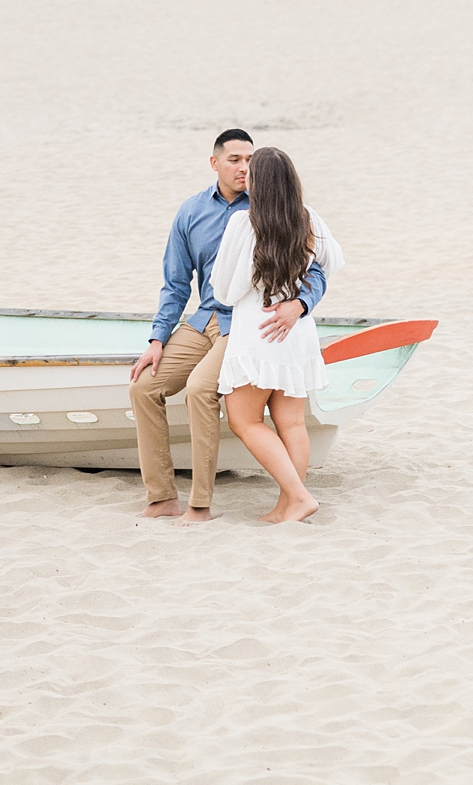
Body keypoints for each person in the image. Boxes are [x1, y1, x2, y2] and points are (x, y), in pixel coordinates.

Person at [128, 129, 329, 522]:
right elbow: (175, 282)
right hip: (203, 319)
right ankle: (162, 497)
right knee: (143, 387)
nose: (244, 167)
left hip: (242, 325)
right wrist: (158, 336)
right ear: (214, 162)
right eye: (235, 159)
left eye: (250, 160)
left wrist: (300, 304)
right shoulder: (191, 211)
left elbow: (315, 269)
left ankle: (199, 504)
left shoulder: (272, 205)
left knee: (201, 390)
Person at [211, 145, 344, 524]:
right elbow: (332, 262)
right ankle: (287, 505)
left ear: (261, 182)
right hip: (298, 334)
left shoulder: (243, 222)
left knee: (244, 421)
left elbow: (224, 290)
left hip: (259, 332)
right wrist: (300, 298)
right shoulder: (307, 219)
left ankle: (299, 498)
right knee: (292, 423)